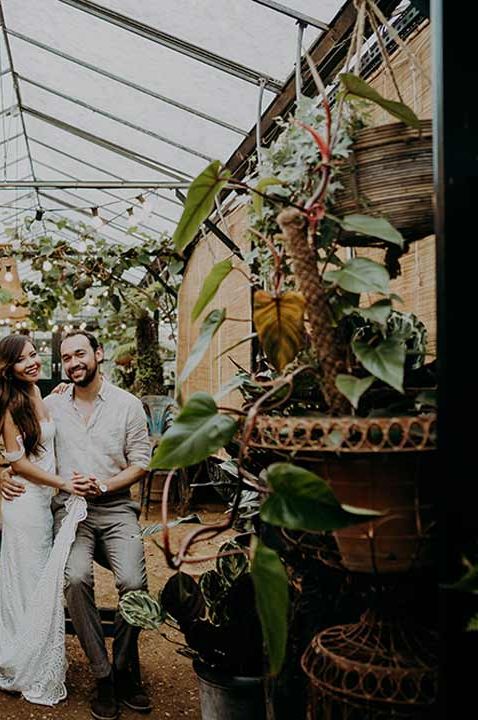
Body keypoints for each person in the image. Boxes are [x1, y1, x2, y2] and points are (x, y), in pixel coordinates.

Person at [1, 330, 152, 720]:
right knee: (73, 578)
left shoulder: (128, 405)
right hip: (70, 511)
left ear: (98, 354)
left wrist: (106, 483)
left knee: (134, 583)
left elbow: (142, 461)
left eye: (80, 354)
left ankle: (123, 670)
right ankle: (103, 676)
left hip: (117, 509)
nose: (73, 363)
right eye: (66, 358)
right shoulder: (54, 399)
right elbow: (17, 445)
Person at [0, 333, 92, 706]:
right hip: (23, 503)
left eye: (35, 354)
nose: (33, 362)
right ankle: (21, 660)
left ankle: (34, 649)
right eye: (23, 359)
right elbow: (18, 462)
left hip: (43, 503)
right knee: (26, 581)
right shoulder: (8, 404)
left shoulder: (43, 394)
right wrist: (62, 483)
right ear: (8, 368)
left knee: (40, 581)